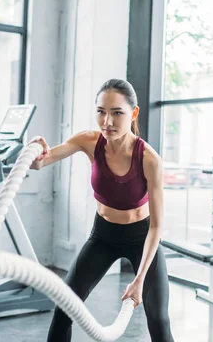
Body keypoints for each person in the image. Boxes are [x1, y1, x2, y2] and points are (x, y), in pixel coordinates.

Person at [30, 79, 174, 341]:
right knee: (65, 306)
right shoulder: (89, 141)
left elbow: (156, 226)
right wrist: (34, 151)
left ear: (134, 113)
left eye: (117, 113)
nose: (107, 121)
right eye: (101, 111)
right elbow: (41, 162)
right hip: (103, 236)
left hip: (141, 237)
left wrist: (139, 279)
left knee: (158, 316)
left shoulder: (150, 159)